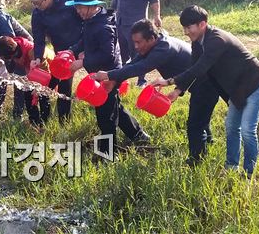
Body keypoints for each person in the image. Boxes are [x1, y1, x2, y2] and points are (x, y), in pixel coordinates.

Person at [152, 5, 259, 177]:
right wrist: (179, 89)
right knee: (231, 126)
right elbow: (193, 66)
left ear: (202, 24)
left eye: (188, 27)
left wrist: (170, 80)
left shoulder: (216, 40)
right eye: (183, 27)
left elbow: (200, 68)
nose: (186, 32)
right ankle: (231, 167)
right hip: (237, 87)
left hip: (256, 83)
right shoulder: (198, 42)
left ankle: (248, 174)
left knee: (247, 129)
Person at [93, 19, 219, 164]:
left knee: (195, 123)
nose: (135, 46)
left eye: (138, 42)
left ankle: (197, 161)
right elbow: (135, 62)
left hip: (207, 82)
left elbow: (140, 67)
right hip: (196, 80)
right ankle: (208, 145)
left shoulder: (163, 48)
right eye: (134, 42)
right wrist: (115, 78)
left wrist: (109, 75)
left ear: (151, 38)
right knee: (201, 118)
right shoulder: (156, 44)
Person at [67, 0, 150, 156]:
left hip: (110, 75)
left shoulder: (104, 26)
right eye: (76, 7)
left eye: (80, 7)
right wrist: (72, 51)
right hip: (100, 72)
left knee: (105, 115)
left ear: (91, 6)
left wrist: (82, 62)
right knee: (114, 107)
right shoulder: (91, 20)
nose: (78, 11)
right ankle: (138, 134)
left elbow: (107, 55)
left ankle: (107, 154)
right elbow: (85, 41)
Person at [28, 0, 83, 122]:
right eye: (33, 3)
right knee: (63, 86)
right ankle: (63, 122)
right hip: (62, 54)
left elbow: (87, 21)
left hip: (83, 47)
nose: (37, 7)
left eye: (38, 3)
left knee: (102, 77)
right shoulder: (38, 14)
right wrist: (38, 58)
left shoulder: (69, 3)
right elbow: (39, 39)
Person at [111, 0, 162, 87]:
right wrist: (112, 11)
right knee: (121, 50)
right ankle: (121, 78)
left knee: (138, 50)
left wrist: (157, 15)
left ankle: (141, 80)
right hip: (120, 20)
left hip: (135, 22)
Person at [0, 35, 55, 126]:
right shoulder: (11, 49)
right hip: (33, 72)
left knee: (43, 96)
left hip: (50, 69)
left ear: (10, 55)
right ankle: (34, 122)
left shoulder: (32, 52)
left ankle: (44, 124)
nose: (2, 59)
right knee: (27, 94)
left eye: (3, 57)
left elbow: (46, 72)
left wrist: (39, 88)